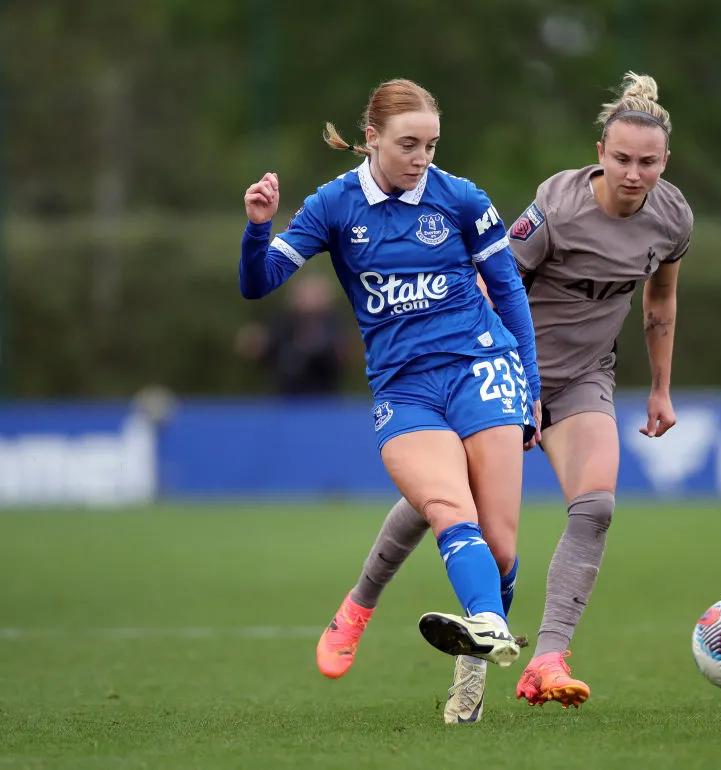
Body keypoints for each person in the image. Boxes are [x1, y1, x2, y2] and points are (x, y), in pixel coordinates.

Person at [318, 72, 694, 724]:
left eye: (649, 162)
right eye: (623, 159)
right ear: (599, 152)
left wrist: (660, 387)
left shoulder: (672, 217)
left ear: (666, 161)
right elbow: (492, 283)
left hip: (582, 382)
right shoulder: (559, 204)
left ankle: (545, 660)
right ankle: (359, 604)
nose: (635, 174)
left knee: (596, 506)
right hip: (495, 371)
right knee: (440, 506)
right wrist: (487, 376)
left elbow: (660, 302)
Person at [238, 78, 543, 674]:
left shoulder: (462, 199)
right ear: (372, 138)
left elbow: (509, 293)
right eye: (409, 144)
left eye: (431, 144)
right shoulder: (333, 205)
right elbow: (259, 283)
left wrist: (530, 390)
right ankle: (456, 622)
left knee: (502, 548)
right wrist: (257, 228)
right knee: (449, 507)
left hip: (483, 368)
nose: (422, 158)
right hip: (406, 390)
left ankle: (475, 658)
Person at [235, 273, 351, 396]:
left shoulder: (333, 322)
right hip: (286, 396)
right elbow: (269, 348)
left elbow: (339, 358)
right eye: (304, 294)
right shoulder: (283, 321)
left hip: (324, 396)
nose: (309, 300)